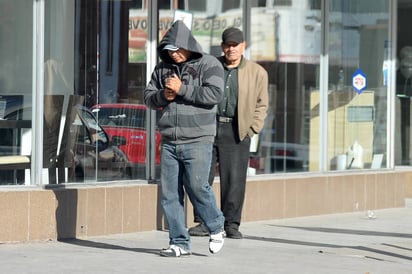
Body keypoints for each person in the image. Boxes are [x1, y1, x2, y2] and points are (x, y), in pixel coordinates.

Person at [144, 20, 225, 257]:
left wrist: (181, 89)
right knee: (170, 194)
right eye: (168, 51)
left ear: (188, 45)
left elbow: (214, 94)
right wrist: (164, 95)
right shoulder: (162, 69)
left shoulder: (209, 64)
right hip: (170, 139)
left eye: (177, 50)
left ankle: (216, 225)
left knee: (198, 186)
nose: (174, 55)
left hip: (198, 138)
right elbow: (148, 98)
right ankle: (179, 242)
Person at [188, 27, 269, 239]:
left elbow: (262, 105)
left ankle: (231, 224)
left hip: (237, 129)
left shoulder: (257, 72)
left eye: (235, 45)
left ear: (243, 46)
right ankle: (206, 221)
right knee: (201, 177)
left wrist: (252, 130)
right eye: (227, 45)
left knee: (234, 180)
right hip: (208, 127)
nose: (231, 49)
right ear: (222, 46)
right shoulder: (210, 65)